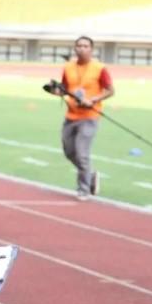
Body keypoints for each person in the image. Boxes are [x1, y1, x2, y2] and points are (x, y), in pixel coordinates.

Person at [49, 35, 114, 201]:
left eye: (86, 46)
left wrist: (92, 100)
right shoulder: (68, 67)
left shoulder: (99, 68)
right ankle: (90, 175)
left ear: (91, 49)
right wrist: (55, 90)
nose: (82, 48)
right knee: (69, 152)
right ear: (75, 48)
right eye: (79, 45)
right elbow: (64, 89)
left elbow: (110, 90)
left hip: (90, 116)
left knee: (82, 153)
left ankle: (84, 189)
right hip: (71, 115)